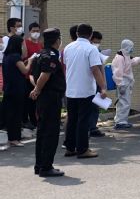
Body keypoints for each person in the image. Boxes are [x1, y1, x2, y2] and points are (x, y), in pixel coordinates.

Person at [62, 24, 107, 159]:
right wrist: (103, 87)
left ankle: (70, 147)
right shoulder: (91, 49)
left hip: (71, 89)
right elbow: (95, 70)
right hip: (85, 90)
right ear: (91, 35)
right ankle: (82, 149)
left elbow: (66, 66)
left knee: (72, 119)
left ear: (77, 33)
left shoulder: (68, 48)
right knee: (83, 120)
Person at [29, 28, 66, 177]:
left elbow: (32, 75)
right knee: (51, 132)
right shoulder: (50, 55)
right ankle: (46, 167)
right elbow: (45, 75)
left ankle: (39, 165)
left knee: (42, 131)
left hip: (44, 98)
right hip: (50, 98)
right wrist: (37, 89)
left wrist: (37, 89)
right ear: (57, 40)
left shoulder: (39, 54)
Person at [2, 35, 35, 147]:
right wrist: (30, 61)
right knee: (16, 114)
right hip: (16, 89)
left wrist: (24, 62)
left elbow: (16, 69)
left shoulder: (7, 56)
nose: (23, 47)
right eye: (22, 44)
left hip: (9, 88)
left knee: (11, 113)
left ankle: (13, 137)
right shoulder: (16, 57)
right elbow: (25, 71)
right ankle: (14, 138)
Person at [111, 39, 140, 129]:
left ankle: (122, 121)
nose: (132, 49)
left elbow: (133, 61)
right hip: (123, 83)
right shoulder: (120, 58)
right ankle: (120, 122)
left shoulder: (125, 56)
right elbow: (118, 72)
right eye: (131, 47)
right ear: (127, 47)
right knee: (123, 103)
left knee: (125, 102)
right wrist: (120, 84)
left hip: (126, 83)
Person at [22, 22, 42, 130]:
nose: (36, 33)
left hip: (36, 76)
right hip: (27, 76)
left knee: (35, 100)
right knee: (27, 100)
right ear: (29, 31)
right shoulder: (25, 43)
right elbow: (22, 59)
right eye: (34, 31)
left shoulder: (40, 44)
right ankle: (26, 120)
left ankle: (34, 121)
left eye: (37, 31)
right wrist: (30, 60)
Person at [88, 31, 108, 137]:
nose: (97, 44)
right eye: (95, 42)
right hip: (88, 82)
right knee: (88, 106)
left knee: (95, 105)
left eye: (99, 42)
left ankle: (92, 127)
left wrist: (103, 84)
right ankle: (89, 127)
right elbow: (96, 69)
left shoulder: (98, 51)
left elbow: (101, 68)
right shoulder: (88, 50)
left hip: (97, 82)